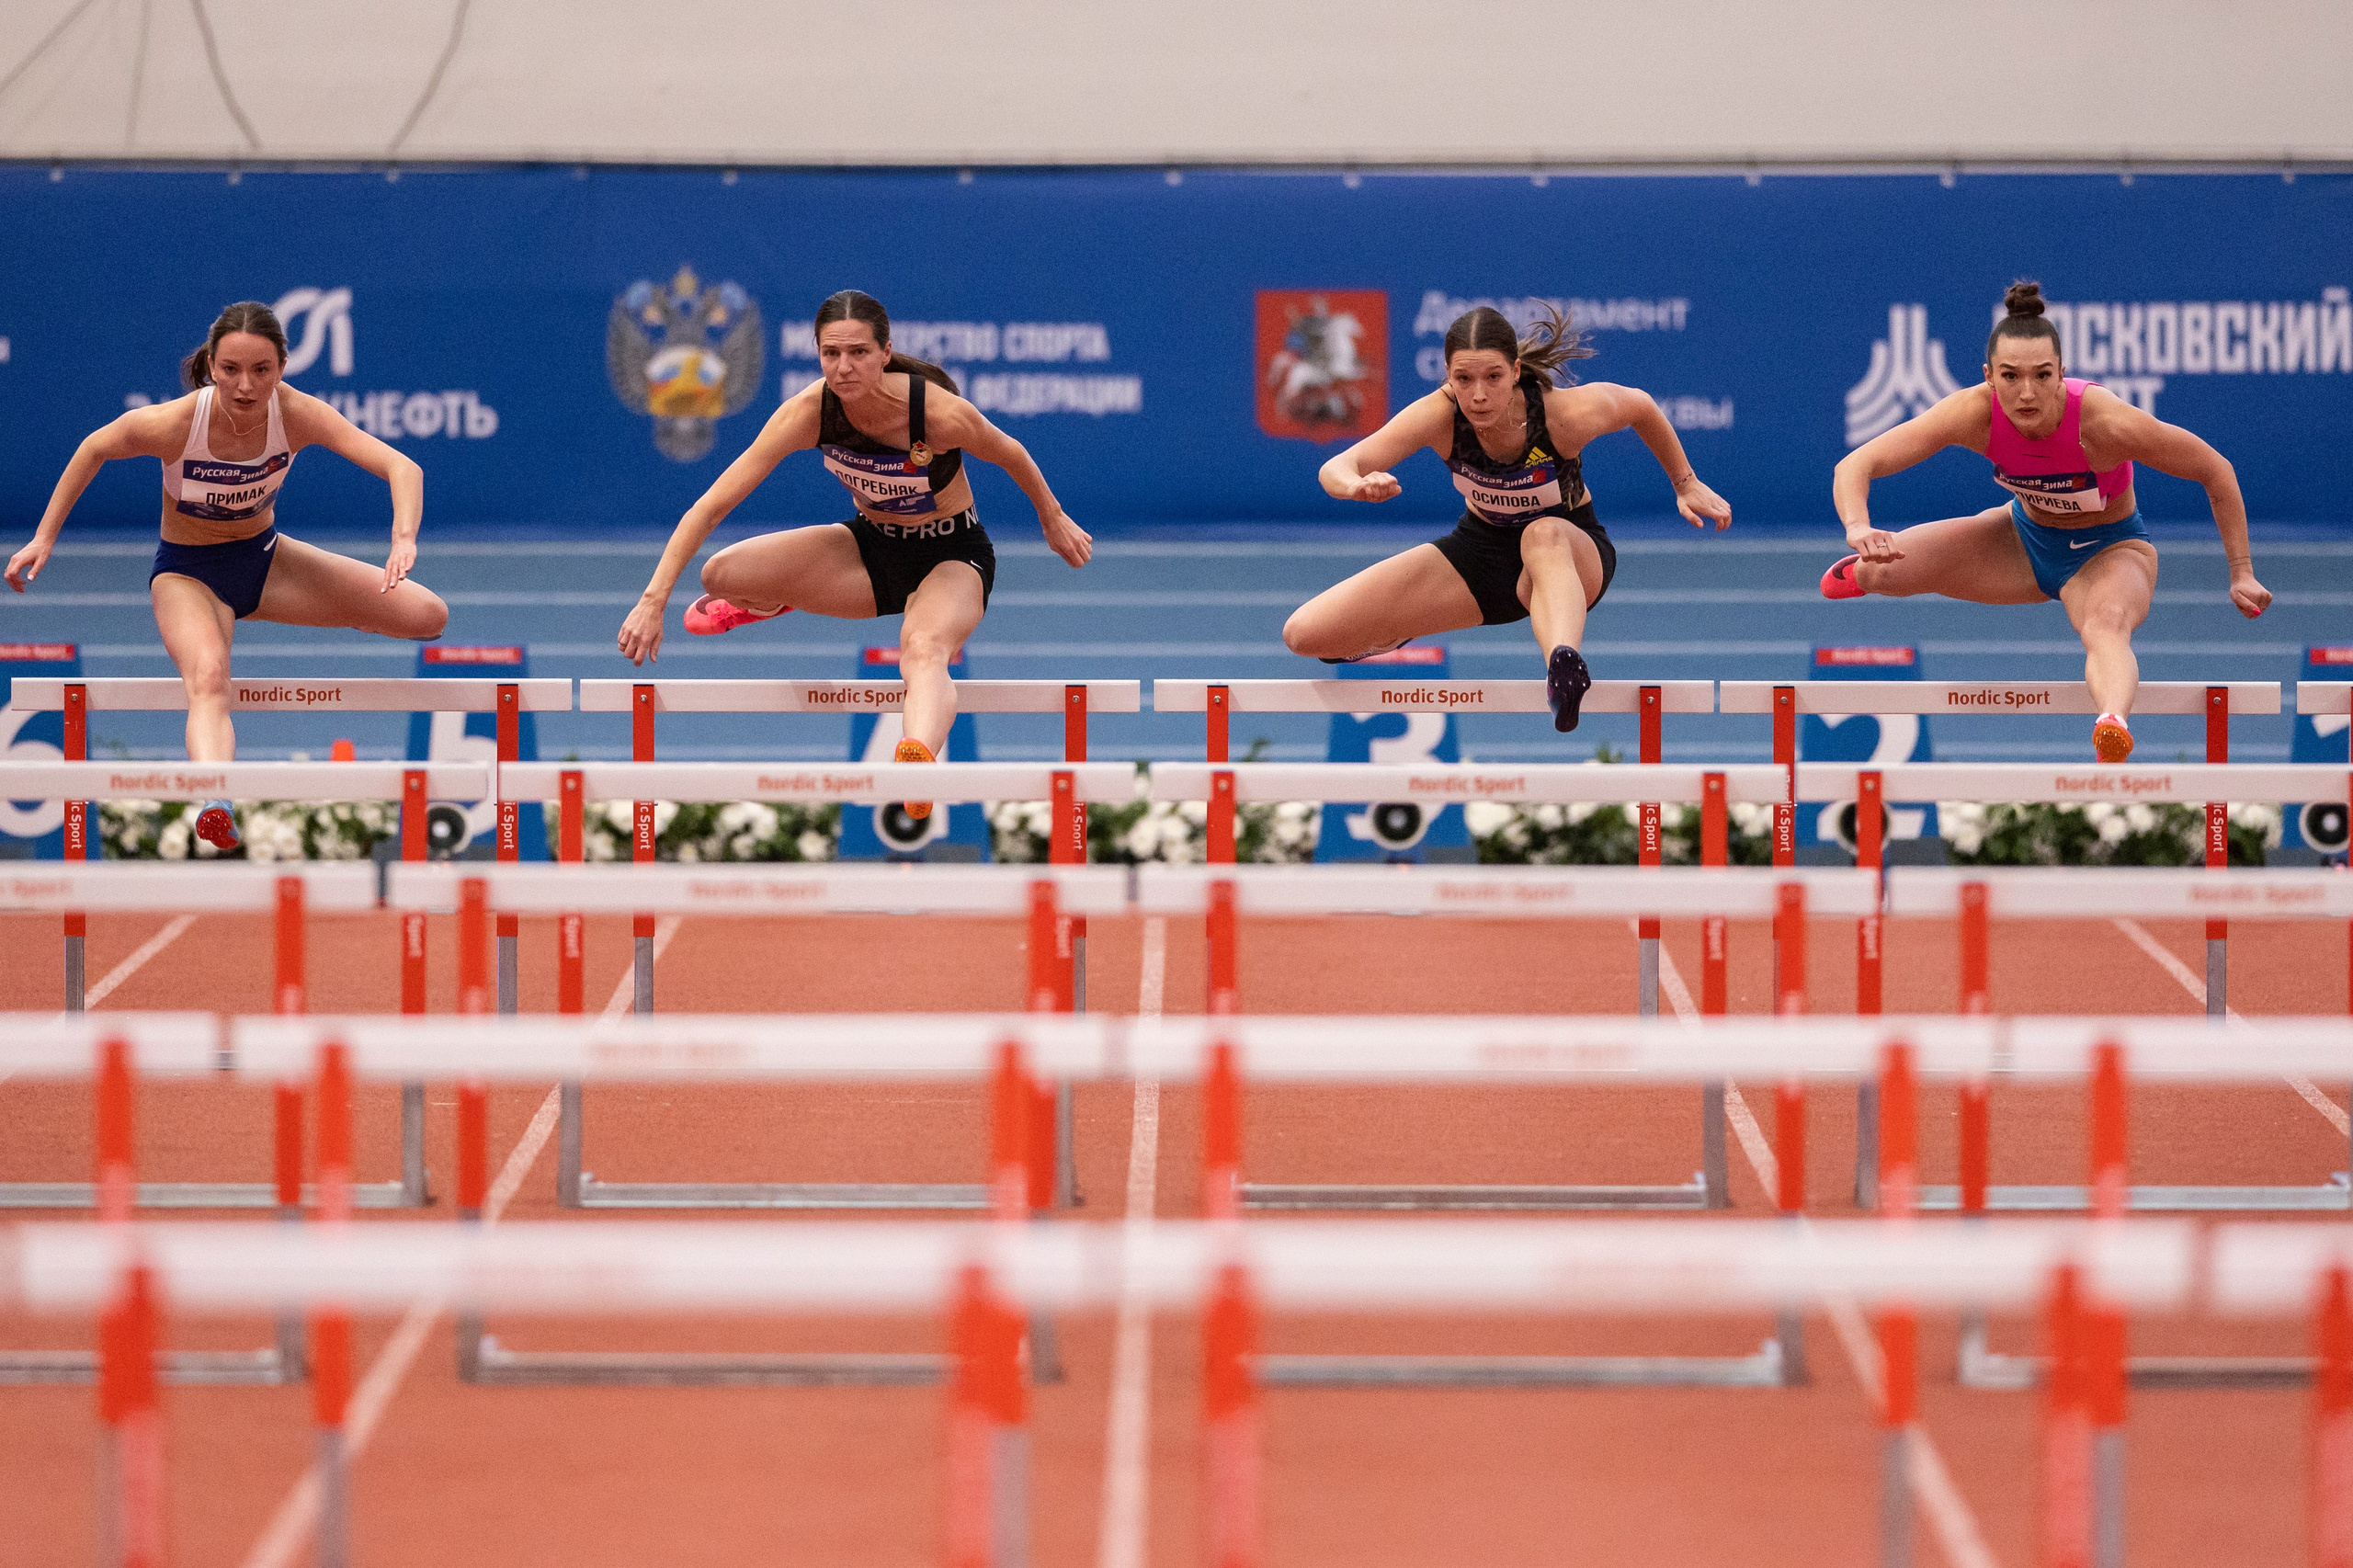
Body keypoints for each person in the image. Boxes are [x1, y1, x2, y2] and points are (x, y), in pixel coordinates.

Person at [617, 289, 1091, 818]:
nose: (843, 368)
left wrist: (1052, 518)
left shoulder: (935, 413)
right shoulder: (809, 413)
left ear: (885, 352)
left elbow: (1011, 453)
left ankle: (916, 765)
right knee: (720, 574)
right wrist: (653, 600)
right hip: (870, 550)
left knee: (923, 647)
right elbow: (710, 506)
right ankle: (770, 601)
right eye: (831, 354)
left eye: (859, 353)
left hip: (952, 554)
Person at [5, 301, 446, 851]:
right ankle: (215, 797)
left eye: (261, 370)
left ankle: (344, 611)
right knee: (210, 678)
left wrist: (403, 538)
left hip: (268, 562)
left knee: (428, 615)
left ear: (282, 367)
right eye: (232, 369)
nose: (245, 385)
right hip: (189, 575)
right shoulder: (175, 423)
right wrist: (44, 537)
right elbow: (94, 448)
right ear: (212, 365)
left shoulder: (298, 414)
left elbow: (403, 467)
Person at [1826, 280, 2270, 762]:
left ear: (2062, 373)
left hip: (2109, 551)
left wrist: (2241, 570)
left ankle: (2112, 721)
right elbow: (1856, 465)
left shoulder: (2105, 424)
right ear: (1989, 377)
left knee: (2105, 626)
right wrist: (1858, 527)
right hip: (2021, 540)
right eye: (2010, 376)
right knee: (1880, 573)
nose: (2026, 393)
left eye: (2042, 375)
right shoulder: (1973, 413)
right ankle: (1861, 571)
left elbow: (2214, 470)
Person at [1283, 303, 1733, 731]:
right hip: (1481, 556)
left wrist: (1685, 482)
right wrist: (1355, 485)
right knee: (1306, 635)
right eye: (1464, 379)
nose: (1478, 395)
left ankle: (1564, 667)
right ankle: (1401, 629)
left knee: (1542, 533)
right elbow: (1337, 466)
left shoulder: (1563, 415)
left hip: (1569, 556)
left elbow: (1640, 406)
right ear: (1448, 376)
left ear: (1516, 371)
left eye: (1493, 377)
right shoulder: (1437, 416)